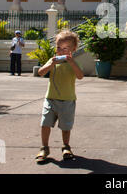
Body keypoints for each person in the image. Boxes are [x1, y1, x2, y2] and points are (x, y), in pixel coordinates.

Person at [35, 30, 84, 163]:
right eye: (58, 48)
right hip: (50, 98)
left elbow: (80, 76)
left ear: (73, 49)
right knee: (45, 123)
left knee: (65, 126)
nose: (61, 51)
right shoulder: (53, 60)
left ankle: (66, 146)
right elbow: (40, 72)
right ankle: (44, 147)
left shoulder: (73, 62)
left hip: (68, 100)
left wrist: (72, 63)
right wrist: (51, 64)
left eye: (65, 48)